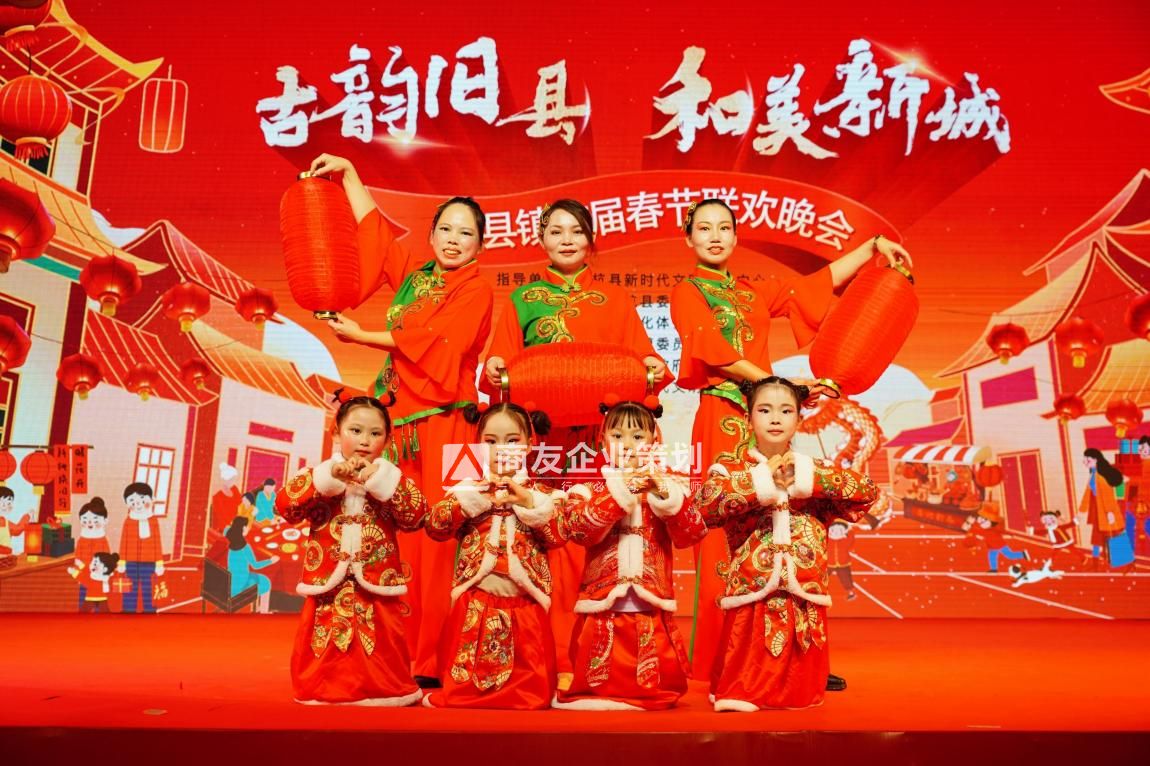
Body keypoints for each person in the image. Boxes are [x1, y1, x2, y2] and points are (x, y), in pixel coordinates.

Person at [669, 197, 911, 682]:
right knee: (722, 536)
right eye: (704, 228)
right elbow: (715, 351)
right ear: (689, 237)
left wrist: (872, 248)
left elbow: (813, 287)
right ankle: (724, 659)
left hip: (767, 415)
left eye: (724, 228)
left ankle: (790, 655)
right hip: (724, 418)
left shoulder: (750, 292)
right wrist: (781, 387)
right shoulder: (688, 291)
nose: (715, 236)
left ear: (736, 237)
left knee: (784, 526)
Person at [309, 153, 495, 686]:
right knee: (393, 533)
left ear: (481, 245)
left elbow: (441, 343)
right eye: (445, 230)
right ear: (432, 235)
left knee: (444, 536)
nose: (453, 240)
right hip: (400, 423)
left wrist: (361, 336)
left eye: (466, 233)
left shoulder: (477, 289)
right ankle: (394, 649)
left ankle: (436, 657)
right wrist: (351, 174)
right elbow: (377, 237)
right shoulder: (416, 278)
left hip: (451, 426)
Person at [480, 198, 670, 680]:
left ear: (591, 239)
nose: (567, 240)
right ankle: (544, 653)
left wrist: (651, 365)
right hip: (544, 439)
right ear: (540, 238)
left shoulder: (615, 299)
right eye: (556, 231)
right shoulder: (522, 299)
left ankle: (594, 655)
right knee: (546, 534)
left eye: (577, 231)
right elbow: (500, 364)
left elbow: (643, 363)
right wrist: (496, 368)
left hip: (598, 439)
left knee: (596, 533)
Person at [689, 376, 879, 711]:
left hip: (802, 588)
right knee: (742, 686)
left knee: (800, 696)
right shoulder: (729, 469)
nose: (775, 418)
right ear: (748, 419)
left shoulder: (814, 470)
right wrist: (764, 480)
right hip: (753, 586)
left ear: (799, 419)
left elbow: (865, 493)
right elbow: (705, 507)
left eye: (786, 411)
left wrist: (805, 478)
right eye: (764, 410)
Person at [274, 393, 428, 706]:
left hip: (376, 580)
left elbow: (417, 516)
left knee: (382, 636)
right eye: (355, 431)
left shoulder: (392, 479)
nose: (364, 440)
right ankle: (321, 688)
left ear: (387, 440)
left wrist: (380, 481)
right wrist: (329, 479)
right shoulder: (319, 476)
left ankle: (385, 689)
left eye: (375, 433)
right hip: (328, 580)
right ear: (336, 433)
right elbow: (285, 506)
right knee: (324, 633)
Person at [554, 398, 705, 711]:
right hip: (603, 596)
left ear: (654, 440)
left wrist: (664, 496)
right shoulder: (589, 484)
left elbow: (692, 532)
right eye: (617, 435)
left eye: (638, 436)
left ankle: (647, 693)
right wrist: (621, 492)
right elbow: (578, 530)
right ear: (602, 440)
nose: (627, 444)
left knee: (654, 678)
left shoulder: (668, 483)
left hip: (650, 595)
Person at [424, 402, 567, 709]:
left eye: (512, 440)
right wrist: (475, 499)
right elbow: (435, 527)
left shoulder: (544, 495)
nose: (501, 449)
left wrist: (528, 502)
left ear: (529, 444)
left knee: (530, 691)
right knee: (464, 684)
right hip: (475, 599)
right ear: (478, 444)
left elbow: (560, 535)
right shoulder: (467, 490)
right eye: (491, 441)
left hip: (526, 603)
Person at [1077, 448, 1130, 570]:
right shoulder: (1093, 475)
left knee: (1115, 536)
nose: (1085, 462)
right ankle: (1095, 564)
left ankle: (1127, 563)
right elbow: (1087, 495)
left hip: (1106, 512)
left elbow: (1107, 495)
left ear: (1096, 460)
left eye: (1088, 460)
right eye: (1084, 460)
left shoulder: (1101, 476)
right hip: (1097, 512)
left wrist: (1110, 512)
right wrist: (1081, 511)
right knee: (1096, 539)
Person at [115, 482, 165, 614]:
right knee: (130, 586)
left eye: (142, 499)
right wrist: (122, 562)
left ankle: (149, 609)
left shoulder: (153, 521)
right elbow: (124, 542)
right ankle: (128, 609)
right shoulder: (128, 521)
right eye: (132, 501)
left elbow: (157, 542)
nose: (138, 504)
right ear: (127, 503)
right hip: (131, 561)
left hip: (149, 561)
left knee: (148, 586)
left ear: (151, 499)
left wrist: (159, 562)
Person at [224, 516, 278, 613]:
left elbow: (226, 529)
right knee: (266, 582)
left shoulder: (231, 540)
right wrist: (270, 561)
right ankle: (264, 612)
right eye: (247, 526)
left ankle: (259, 608)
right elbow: (255, 565)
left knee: (259, 578)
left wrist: (234, 525)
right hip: (241, 586)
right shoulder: (245, 547)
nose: (249, 528)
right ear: (243, 528)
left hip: (229, 582)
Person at [73, 498, 112, 609]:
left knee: (100, 599)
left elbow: (107, 558)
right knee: (83, 600)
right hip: (83, 574)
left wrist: (106, 573)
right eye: (85, 520)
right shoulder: (81, 539)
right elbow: (77, 557)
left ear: (105, 521)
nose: (90, 523)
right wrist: (78, 570)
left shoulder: (103, 540)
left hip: (99, 575)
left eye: (95, 520)